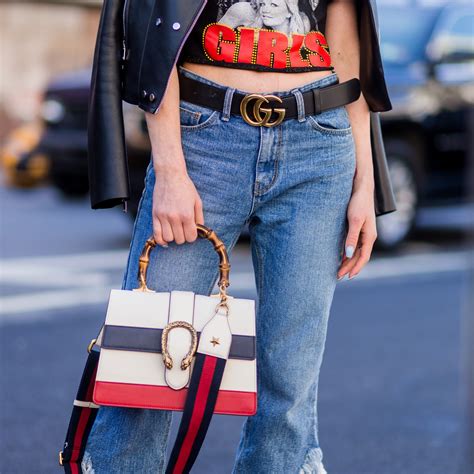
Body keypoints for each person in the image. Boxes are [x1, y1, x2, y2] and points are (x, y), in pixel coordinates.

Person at [79, 0, 393, 473]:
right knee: (150, 355)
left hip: (319, 142)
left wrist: (364, 182)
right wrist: (169, 169)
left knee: (291, 375)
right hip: (206, 137)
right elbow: (156, 30)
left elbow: (349, 49)